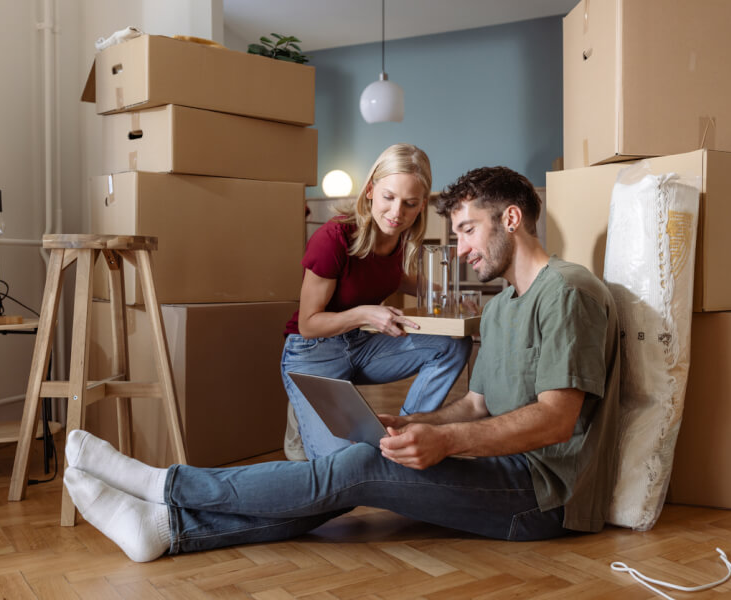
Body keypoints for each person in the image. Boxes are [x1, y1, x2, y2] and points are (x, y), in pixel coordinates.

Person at [63, 166, 621, 563]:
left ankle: (164, 486)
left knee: (355, 470)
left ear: (513, 218)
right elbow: (477, 405)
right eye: (454, 234)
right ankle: (166, 530)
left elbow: (557, 420)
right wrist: (413, 426)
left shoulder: (567, 291)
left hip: (542, 498)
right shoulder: (502, 308)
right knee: (360, 457)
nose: (461, 248)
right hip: (500, 472)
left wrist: (447, 444)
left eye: (468, 230)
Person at [281, 143, 472, 460]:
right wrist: (363, 314)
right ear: (370, 190)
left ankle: (406, 431)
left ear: (422, 204)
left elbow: (390, 275)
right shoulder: (332, 239)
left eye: (410, 204)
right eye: (389, 197)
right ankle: (303, 420)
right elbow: (308, 324)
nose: (398, 213)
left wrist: (449, 295)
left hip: (362, 345)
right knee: (346, 465)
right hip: (313, 352)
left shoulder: (399, 239)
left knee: (453, 344)